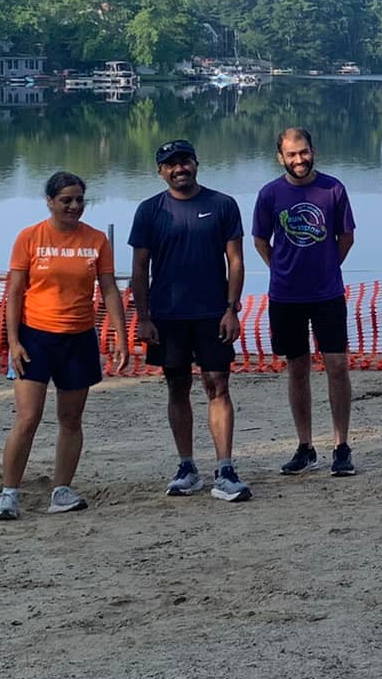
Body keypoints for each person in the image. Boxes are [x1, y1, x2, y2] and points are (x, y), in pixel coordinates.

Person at [0, 171, 130, 520]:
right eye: (66, 200)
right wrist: (13, 342)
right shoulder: (30, 237)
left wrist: (119, 334)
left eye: (79, 200)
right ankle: (9, 494)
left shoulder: (97, 240)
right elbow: (13, 293)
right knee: (27, 417)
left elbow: (110, 289)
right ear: (50, 201)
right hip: (35, 338)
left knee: (70, 418)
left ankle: (62, 490)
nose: (74, 206)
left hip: (79, 338)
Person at [129, 139, 250, 501]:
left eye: (185, 162)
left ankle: (225, 469)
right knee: (177, 388)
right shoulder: (150, 211)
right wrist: (144, 317)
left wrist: (232, 308)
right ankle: (186, 466)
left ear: (196, 164)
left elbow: (236, 262)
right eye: (171, 164)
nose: (179, 169)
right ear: (160, 171)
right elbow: (139, 267)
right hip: (168, 317)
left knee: (218, 387)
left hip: (213, 315)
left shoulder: (222, 205)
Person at [252, 127, 359, 479]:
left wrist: (327, 267)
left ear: (313, 150)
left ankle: (341, 446)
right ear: (280, 157)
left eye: (304, 152)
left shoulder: (333, 189)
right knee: (297, 369)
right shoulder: (270, 194)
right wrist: (282, 269)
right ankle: (305, 446)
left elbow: (346, 237)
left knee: (337, 365)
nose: (299, 160)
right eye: (291, 154)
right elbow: (259, 241)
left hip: (327, 294)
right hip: (286, 296)